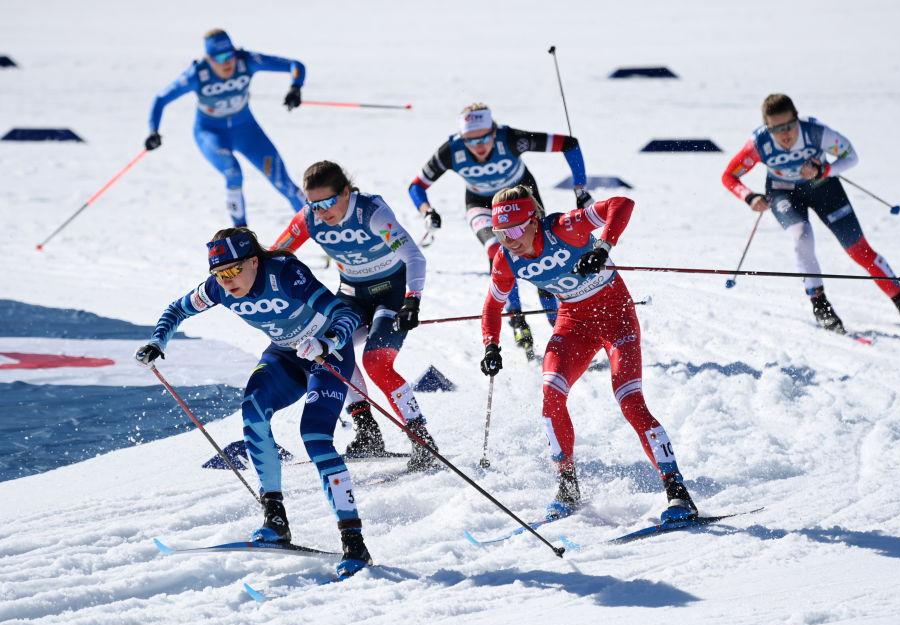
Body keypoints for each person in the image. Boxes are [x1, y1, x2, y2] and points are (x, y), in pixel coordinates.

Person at [134, 227, 371, 578]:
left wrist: (328, 343)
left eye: (232, 270)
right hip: (286, 356)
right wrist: (158, 341)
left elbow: (345, 315)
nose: (226, 281)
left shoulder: (287, 275)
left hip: (326, 356)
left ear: (254, 262)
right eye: (218, 273)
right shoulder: (217, 288)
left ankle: (354, 542)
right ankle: (275, 519)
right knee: (253, 413)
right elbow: (177, 310)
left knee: (315, 437)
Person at [478, 185, 698, 524]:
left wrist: (603, 245)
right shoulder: (505, 259)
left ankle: (677, 489)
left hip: (616, 318)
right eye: (501, 233)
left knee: (630, 401)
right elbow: (493, 305)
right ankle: (567, 486)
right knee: (551, 396)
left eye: (517, 229)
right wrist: (491, 344)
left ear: (534, 221)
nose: (510, 240)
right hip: (573, 325)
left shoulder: (566, 227)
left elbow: (622, 204)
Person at [722, 93, 900, 334]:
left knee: (859, 250)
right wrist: (750, 196)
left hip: (823, 187)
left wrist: (824, 169)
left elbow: (851, 156)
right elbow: (729, 176)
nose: (784, 134)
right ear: (767, 127)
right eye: (776, 129)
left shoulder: (815, 132)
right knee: (802, 237)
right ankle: (820, 305)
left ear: (797, 119)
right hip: (783, 193)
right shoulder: (759, 144)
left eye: (789, 126)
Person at [272, 161, 441, 472]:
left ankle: (422, 438)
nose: (321, 212)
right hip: (351, 295)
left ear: (346, 193)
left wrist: (412, 302)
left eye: (327, 202)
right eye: (313, 204)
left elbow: (414, 256)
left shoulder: (370, 212)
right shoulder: (309, 218)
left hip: (392, 292)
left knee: (376, 362)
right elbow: (276, 255)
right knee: (332, 350)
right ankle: (367, 431)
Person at [408, 102, 595, 361]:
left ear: (494, 131)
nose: (479, 145)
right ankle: (517, 321)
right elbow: (416, 186)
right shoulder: (450, 151)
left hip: (522, 200)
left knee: (539, 252)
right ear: (461, 138)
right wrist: (427, 211)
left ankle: (559, 324)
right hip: (481, 205)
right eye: (471, 140)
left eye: (485, 137)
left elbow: (569, 143)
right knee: (498, 250)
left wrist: (580, 190)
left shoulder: (511, 139)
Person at [145, 29, 307, 228]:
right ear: (209, 59)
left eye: (230, 54)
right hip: (211, 133)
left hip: (247, 131)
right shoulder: (197, 74)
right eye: (220, 58)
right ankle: (242, 239)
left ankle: (322, 231)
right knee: (233, 173)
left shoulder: (246, 61)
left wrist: (295, 87)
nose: (227, 62)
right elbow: (160, 99)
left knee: (283, 182)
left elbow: (295, 65)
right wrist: (154, 131)